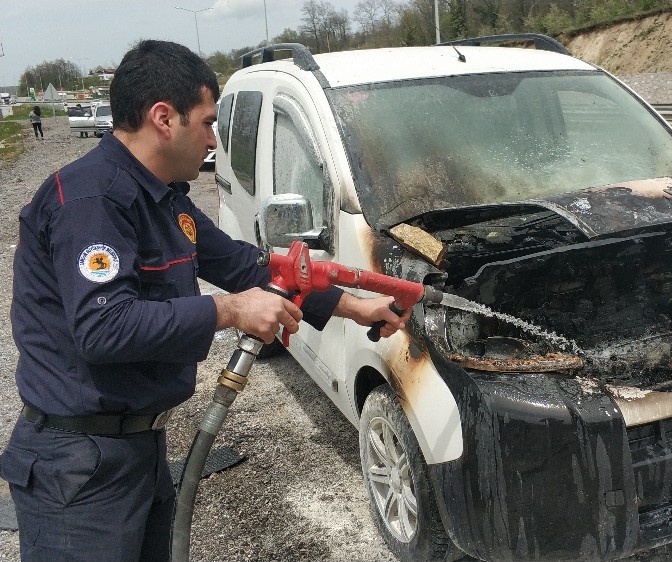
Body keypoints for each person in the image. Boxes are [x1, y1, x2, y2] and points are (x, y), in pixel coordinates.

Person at [0, 40, 410, 562]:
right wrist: (231, 310)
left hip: (134, 448)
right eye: (209, 122)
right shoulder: (91, 201)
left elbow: (249, 266)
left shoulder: (164, 198)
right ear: (163, 118)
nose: (215, 138)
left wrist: (358, 306)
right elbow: (105, 329)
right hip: (76, 468)